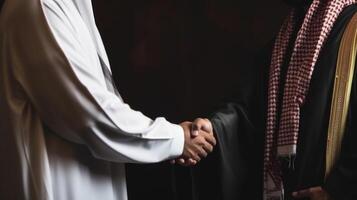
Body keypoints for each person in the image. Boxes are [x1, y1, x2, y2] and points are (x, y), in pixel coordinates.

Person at [0, 0, 216, 199]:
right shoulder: (39, 7)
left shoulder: (68, 6)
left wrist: (177, 139)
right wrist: (176, 139)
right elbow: (91, 115)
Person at [175, 0, 357, 199]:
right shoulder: (289, 35)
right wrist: (211, 128)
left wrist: (337, 190)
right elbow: (249, 109)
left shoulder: (352, 29)